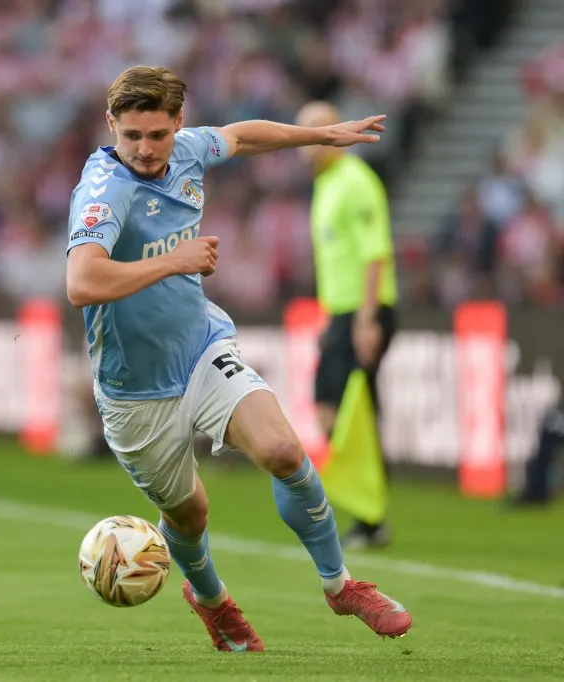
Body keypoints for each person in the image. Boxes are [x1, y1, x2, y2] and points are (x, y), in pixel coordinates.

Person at [65, 66, 412, 653]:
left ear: (179, 122)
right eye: (132, 137)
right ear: (111, 127)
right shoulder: (104, 189)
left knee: (282, 449)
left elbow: (243, 136)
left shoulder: (189, 150)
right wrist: (174, 260)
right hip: (134, 391)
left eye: (158, 135)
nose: (146, 150)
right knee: (191, 517)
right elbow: (82, 280)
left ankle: (340, 584)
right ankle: (212, 601)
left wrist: (319, 137)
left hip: (201, 349)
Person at [295, 101, 399, 549]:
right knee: (354, 413)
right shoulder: (327, 184)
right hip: (342, 312)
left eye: (316, 133)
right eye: (303, 134)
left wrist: (365, 320)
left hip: (362, 311)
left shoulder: (355, 182)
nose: (307, 145)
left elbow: (375, 253)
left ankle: (368, 513)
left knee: (340, 411)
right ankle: (368, 510)